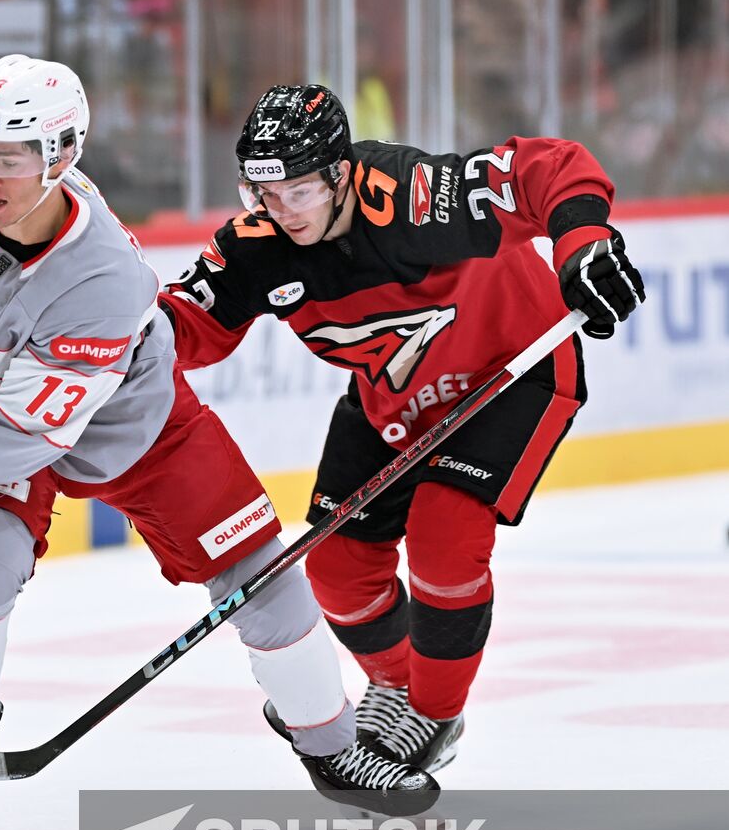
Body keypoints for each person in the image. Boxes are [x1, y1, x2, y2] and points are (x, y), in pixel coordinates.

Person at [0, 57, 439, 830]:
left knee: (261, 577)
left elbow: (28, 438)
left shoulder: (104, 281)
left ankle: (332, 748)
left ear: (62, 154)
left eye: (14, 155)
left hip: (136, 424)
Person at [160, 85, 644, 774]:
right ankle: (396, 687)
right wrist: (93, 350)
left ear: (340, 174)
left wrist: (583, 247)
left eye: (298, 192)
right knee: (334, 566)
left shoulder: (415, 196)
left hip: (511, 369)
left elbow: (551, 167)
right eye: (262, 194)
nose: (279, 212)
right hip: (393, 397)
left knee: (446, 539)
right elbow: (181, 327)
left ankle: (437, 714)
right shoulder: (258, 246)